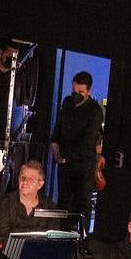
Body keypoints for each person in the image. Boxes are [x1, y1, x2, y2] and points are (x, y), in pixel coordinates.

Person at [49, 71, 103, 232]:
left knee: (82, 204)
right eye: (74, 91)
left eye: (81, 92)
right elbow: (59, 125)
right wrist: (55, 143)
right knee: (63, 202)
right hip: (65, 164)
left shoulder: (95, 111)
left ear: (88, 92)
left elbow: (86, 142)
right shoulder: (67, 102)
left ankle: (82, 240)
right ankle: (61, 235)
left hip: (83, 166)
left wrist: (64, 156)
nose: (76, 95)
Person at [0, 160, 59, 244]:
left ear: (40, 184)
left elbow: (54, 239)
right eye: (23, 177)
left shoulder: (50, 207)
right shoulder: (5, 204)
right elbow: (2, 238)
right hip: (10, 254)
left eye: (30, 179)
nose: (25, 182)